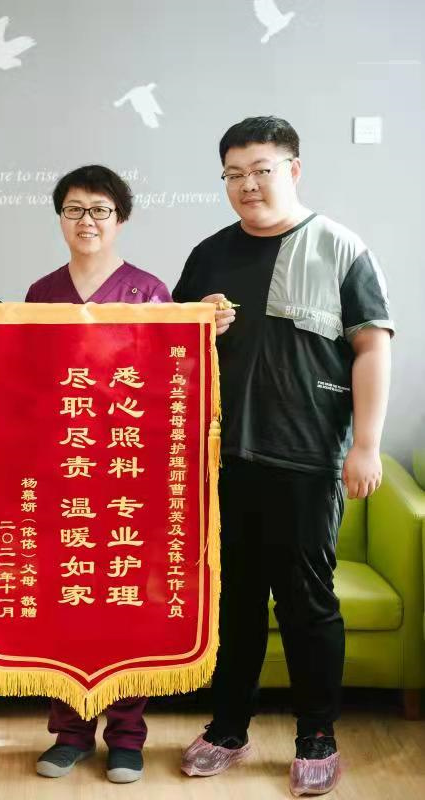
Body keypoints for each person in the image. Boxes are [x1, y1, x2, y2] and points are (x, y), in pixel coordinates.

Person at [172, 117, 393, 797]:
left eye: (261, 170)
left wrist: (365, 445)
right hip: (224, 457)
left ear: (293, 169)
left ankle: (316, 735)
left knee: (306, 602)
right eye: (234, 174)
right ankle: (227, 728)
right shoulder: (209, 255)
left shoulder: (339, 246)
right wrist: (198, 322)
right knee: (233, 599)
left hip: (305, 457)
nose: (248, 184)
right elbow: (169, 353)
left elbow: (372, 346)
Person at [26, 165, 171, 784]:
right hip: (64, 473)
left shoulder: (150, 291)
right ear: (60, 217)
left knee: (128, 603)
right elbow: (25, 384)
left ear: (121, 219)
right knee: (67, 600)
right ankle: (70, 733)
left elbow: (172, 379)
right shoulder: (40, 294)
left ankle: (128, 737)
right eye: (74, 209)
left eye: (100, 210)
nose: (87, 221)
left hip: (129, 476)